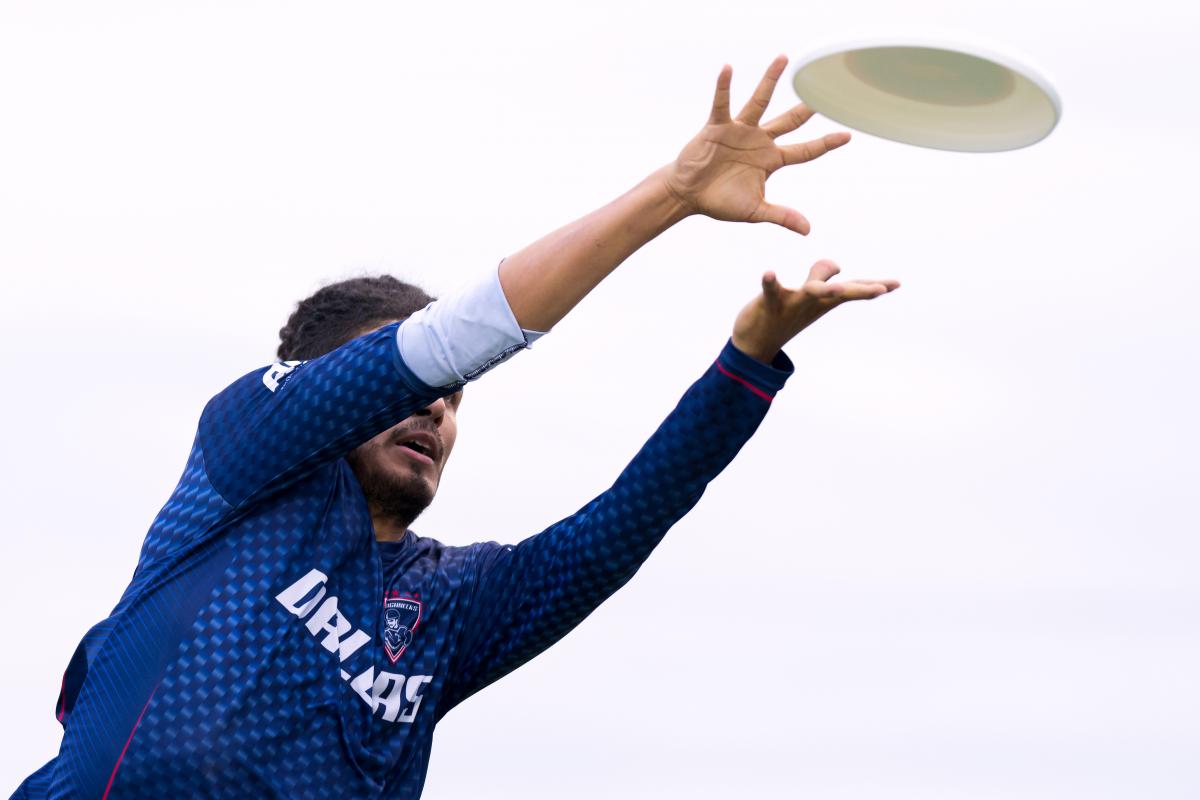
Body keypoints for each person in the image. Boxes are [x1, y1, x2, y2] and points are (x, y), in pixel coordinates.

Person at [12, 56, 898, 799]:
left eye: (457, 401)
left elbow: (622, 525)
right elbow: (450, 342)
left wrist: (748, 361)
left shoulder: (448, 603)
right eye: (424, 387)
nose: (439, 406)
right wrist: (671, 196)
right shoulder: (252, 449)